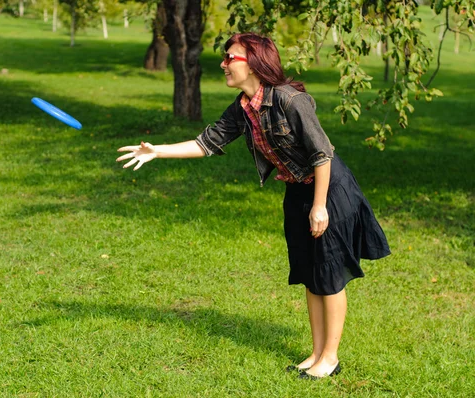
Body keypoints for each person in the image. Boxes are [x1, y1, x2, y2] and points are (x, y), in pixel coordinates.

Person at [116, 33, 391, 379]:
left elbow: (323, 153)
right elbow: (207, 143)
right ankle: (317, 352)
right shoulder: (243, 108)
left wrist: (320, 206)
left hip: (329, 189)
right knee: (310, 273)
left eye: (231, 57)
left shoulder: (290, 100)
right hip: (297, 190)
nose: (223, 64)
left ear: (255, 63)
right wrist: (157, 150)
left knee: (330, 273)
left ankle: (330, 358)